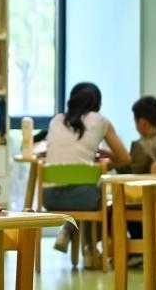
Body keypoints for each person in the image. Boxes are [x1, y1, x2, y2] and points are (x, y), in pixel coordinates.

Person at [43, 82, 130, 263]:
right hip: (84, 198)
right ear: (98, 104)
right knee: (98, 194)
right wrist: (107, 162)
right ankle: (90, 250)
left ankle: (67, 230)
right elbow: (125, 158)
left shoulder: (56, 120)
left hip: (50, 197)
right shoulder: (100, 121)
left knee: (86, 190)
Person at [120, 95, 156, 248]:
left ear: (142, 123)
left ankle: (128, 249)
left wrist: (116, 162)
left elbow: (130, 174)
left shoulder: (140, 146)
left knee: (111, 208)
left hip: (145, 205)